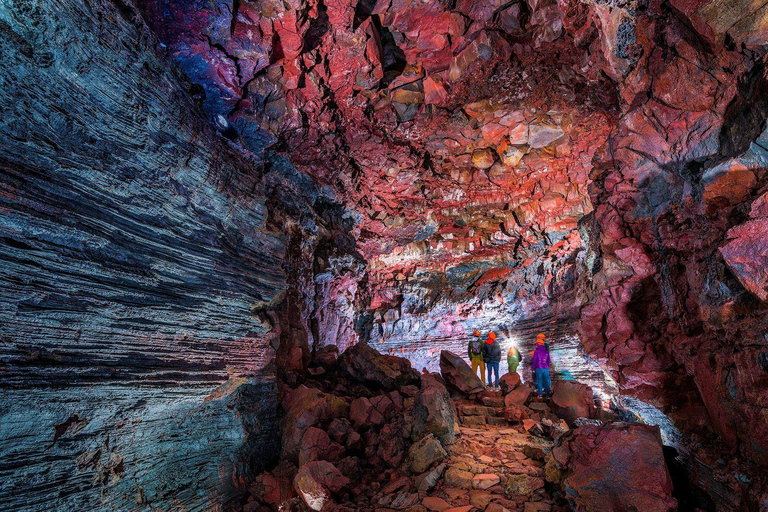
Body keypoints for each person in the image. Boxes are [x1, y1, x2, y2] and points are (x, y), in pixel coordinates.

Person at [531, 333, 552, 398]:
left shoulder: (536, 351)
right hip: (545, 367)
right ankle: (548, 395)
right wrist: (547, 366)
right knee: (546, 380)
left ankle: (540, 394)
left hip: (538, 367)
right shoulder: (546, 351)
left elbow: (534, 360)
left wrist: (533, 369)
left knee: (539, 381)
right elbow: (548, 360)